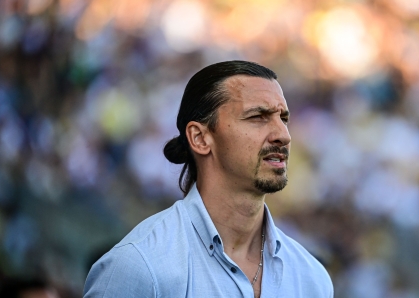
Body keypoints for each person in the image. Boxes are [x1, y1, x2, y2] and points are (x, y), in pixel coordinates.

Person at [83, 60, 333, 297]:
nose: (283, 135)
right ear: (200, 138)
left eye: (284, 118)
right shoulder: (139, 266)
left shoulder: (311, 278)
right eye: (258, 117)